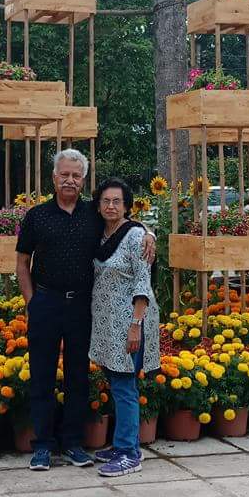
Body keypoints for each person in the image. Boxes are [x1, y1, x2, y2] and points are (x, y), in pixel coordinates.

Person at [15, 149, 154, 471]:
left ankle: (73, 443)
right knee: (42, 375)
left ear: (83, 180)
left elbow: (124, 222)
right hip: (46, 302)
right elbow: (22, 262)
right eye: (64, 174)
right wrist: (32, 302)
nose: (70, 180)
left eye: (76, 176)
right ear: (53, 177)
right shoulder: (36, 216)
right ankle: (42, 446)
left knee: (78, 376)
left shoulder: (93, 212)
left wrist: (149, 233)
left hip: (81, 305)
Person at [88, 178, 159, 477]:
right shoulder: (101, 233)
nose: (111, 206)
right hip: (107, 323)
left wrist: (135, 326)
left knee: (125, 385)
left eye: (117, 201)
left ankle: (130, 453)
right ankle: (122, 444)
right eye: (106, 201)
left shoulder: (135, 236)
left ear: (127, 205)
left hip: (130, 321)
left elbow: (143, 281)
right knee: (116, 383)